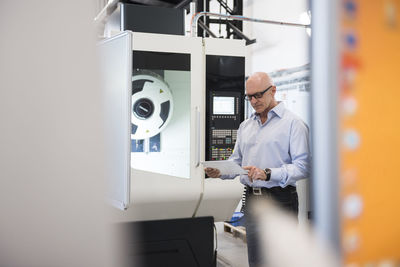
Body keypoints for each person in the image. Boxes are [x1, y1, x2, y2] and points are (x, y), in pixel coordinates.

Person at [205, 72, 310, 267]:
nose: (253, 101)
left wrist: (268, 173)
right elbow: (236, 161)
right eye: (249, 97)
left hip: (280, 199)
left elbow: (303, 167)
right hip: (253, 200)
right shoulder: (246, 126)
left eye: (258, 95)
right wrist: (221, 172)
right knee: (257, 260)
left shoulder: (293, 124)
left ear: (273, 91)